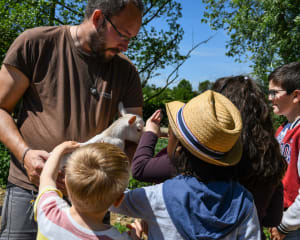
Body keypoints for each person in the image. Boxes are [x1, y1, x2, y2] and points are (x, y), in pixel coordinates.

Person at [0, 0, 144, 238]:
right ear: (98, 18)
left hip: (92, 204)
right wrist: (25, 155)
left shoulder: (126, 72)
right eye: (123, 34)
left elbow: (136, 137)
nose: (126, 46)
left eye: (132, 38)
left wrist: (105, 183)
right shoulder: (36, 44)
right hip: (30, 187)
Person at [131, 75, 287, 239]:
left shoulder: (196, 159)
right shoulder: (271, 159)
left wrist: (150, 133)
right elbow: (273, 218)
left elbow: (140, 169)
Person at [112, 90, 261, 239]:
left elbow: (106, 199)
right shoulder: (244, 202)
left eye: (170, 133)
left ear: (178, 147)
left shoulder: (159, 197)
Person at [34, 141, 135, 239]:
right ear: (118, 200)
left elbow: (47, 177)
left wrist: (60, 149)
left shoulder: (49, 212)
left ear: (66, 182)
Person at [267, 62, 300, 240]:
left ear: (295, 95)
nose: (270, 98)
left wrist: (285, 224)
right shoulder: (283, 129)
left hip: (294, 220)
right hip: (283, 214)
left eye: (274, 92)